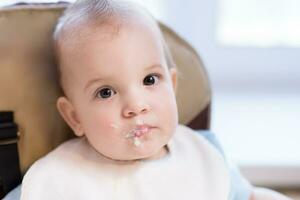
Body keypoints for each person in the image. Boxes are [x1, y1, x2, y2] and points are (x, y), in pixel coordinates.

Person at [19, 0, 292, 199]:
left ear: (172, 86)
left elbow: (250, 196)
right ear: (75, 116)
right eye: (106, 92)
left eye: (150, 80)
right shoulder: (57, 180)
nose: (136, 106)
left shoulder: (201, 156)